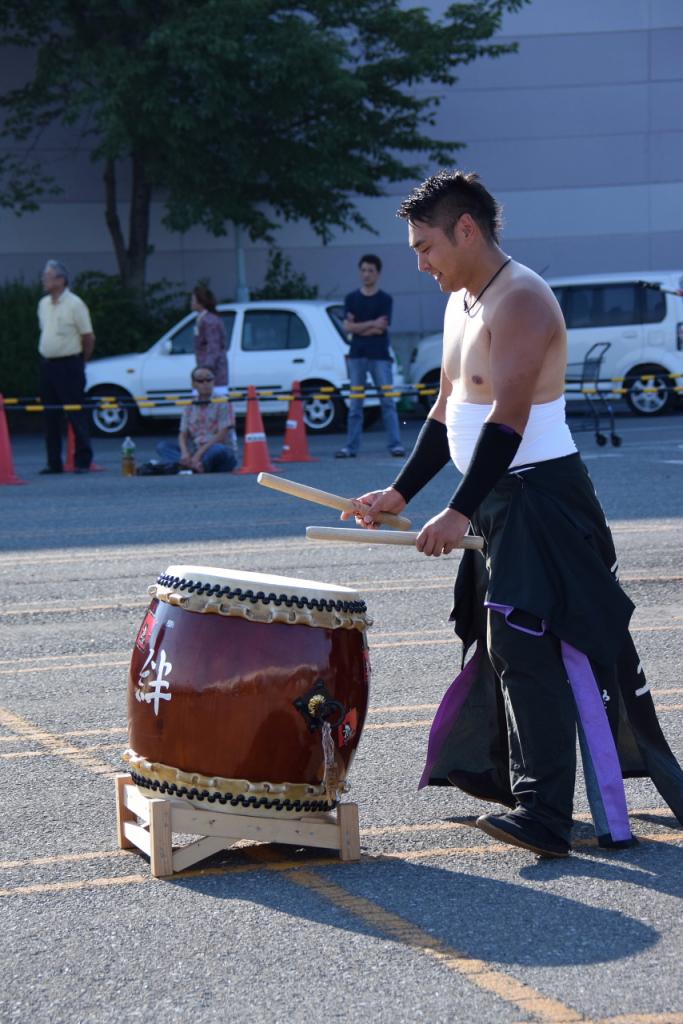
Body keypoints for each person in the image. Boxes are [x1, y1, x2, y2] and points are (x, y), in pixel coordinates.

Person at [345, 170, 683, 858]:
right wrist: (400, 496)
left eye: (425, 246)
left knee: (520, 644)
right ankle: (535, 801)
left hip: (540, 495)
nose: (419, 263)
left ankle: (543, 816)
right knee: (500, 644)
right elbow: (446, 415)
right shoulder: (458, 304)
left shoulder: (522, 299)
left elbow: (507, 421)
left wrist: (455, 510)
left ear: (465, 229)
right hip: (499, 496)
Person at [335, 254, 405, 459]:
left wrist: (360, 327)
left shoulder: (385, 299)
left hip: (380, 355)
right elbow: (348, 328)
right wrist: (370, 325)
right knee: (355, 404)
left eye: (370, 271)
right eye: (363, 270)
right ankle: (351, 447)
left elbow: (381, 327)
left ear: (378, 273)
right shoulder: (351, 299)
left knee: (388, 402)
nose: (366, 274)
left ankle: (395, 445)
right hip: (357, 355)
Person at [37, 260, 95, 474]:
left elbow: (88, 336)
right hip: (47, 364)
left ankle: (82, 460)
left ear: (60, 280)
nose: (44, 280)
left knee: (75, 412)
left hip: (70, 363)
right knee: (50, 414)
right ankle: (53, 462)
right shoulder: (43, 304)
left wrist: (81, 360)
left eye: (48, 276)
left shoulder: (75, 304)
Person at [156, 367, 237, 473]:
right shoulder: (189, 405)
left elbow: (222, 435)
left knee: (219, 450)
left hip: (216, 449)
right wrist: (185, 453)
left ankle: (187, 466)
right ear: (194, 384)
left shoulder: (224, 401)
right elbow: (183, 433)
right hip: (196, 451)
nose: (205, 383)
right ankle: (194, 465)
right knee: (163, 446)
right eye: (200, 380)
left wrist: (198, 455)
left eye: (209, 380)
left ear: (214, 381)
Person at [192, 284, 228, 392]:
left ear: (200, 302)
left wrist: (205, 370)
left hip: (212, 376)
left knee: (216, 405)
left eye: (193, 300)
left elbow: (214, 346)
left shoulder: (209, 321)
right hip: (207, 374)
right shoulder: (202, 319)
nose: (191, 303)